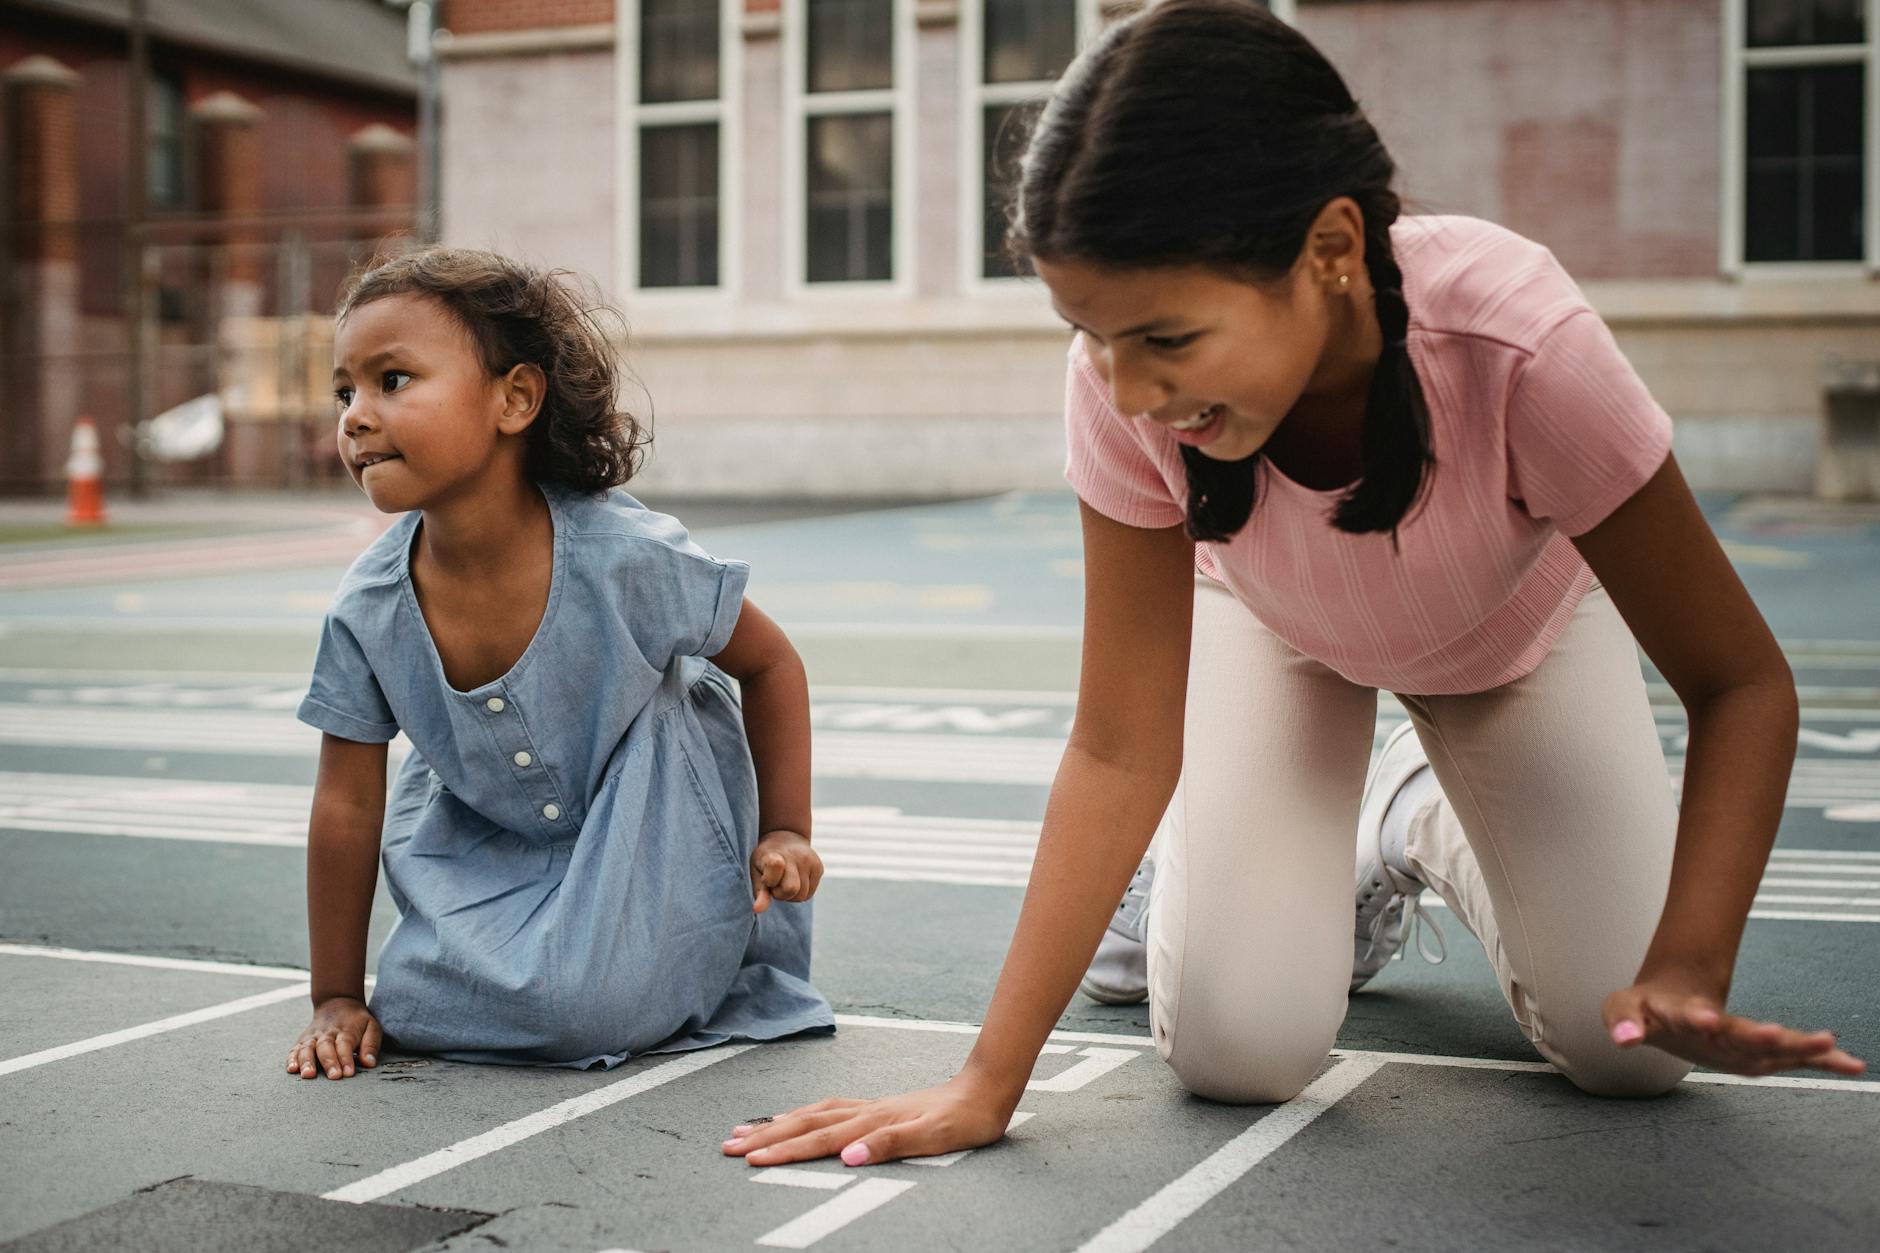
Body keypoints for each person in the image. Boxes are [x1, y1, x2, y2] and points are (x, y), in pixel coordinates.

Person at [721, 0, 1864, 1167]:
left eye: (1163, 339)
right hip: (1279, 630)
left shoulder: (1520, 343)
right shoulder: (1123, 389)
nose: (1122, 389)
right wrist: (985, 1078)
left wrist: (1688, 958)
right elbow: (1117, 746)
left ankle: (1411, 809)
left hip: (1509, 636)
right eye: (1088, 331)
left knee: (1630, 1047)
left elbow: (1738, 682)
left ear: (1327, 251)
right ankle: (1276, 861)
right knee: (1236, 1052)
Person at [286, 248, 832, 1080]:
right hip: (489, 842)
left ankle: (698, 950)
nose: (356, 415)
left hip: (654, 823)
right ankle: (553, 967)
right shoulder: (368, 606)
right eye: (344, 390)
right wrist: (335, 996)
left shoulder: (624, 557)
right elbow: (346, 803)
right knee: (410, 1004)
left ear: (515, 398)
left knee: (579, 1010)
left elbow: (771, 662)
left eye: (393, 380)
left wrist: (786, 828)